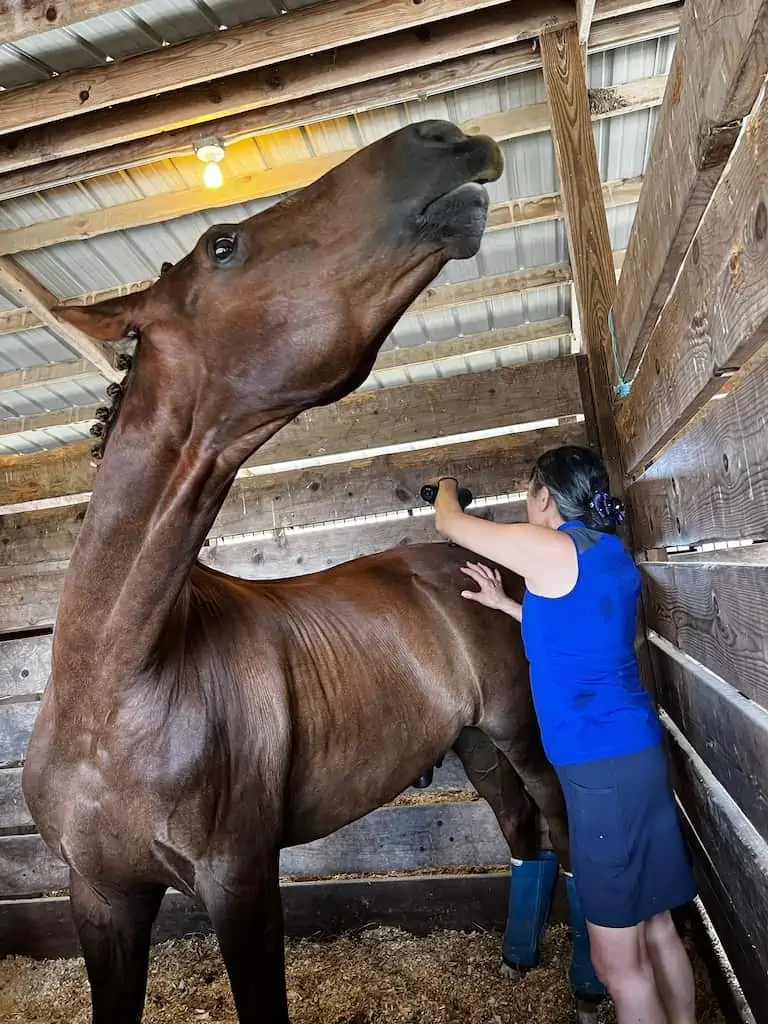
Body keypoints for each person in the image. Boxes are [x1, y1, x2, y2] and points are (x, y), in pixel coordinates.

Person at [431, 444, 698, 1024]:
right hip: (638, 759)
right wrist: (506, 604)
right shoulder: (609, 556)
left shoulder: (549, 548)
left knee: (616, 964)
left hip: (599, 775)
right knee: (656, 929)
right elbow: (579, 640)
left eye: (529, 491)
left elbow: (450, 523)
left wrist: (445, 484)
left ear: (544, 495)